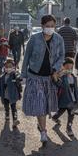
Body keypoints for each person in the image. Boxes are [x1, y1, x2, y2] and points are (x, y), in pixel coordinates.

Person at [21, 14, 65, 143]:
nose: (50, 28)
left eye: (52, 26)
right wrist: (23, 76)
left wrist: (56, 69)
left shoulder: (59, 39)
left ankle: (41, 125)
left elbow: (62, 55)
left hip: (49, 78)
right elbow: (27, 57)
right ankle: (44, 131)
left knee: (46, 105)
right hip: (35, 77)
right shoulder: (34, 39)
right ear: (42, 26)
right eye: (47, 26)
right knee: (40, 104)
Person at [51, 57, 78, 137]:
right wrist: (57, 76)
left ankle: (69, 128)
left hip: (72, 100)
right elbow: (57, 84)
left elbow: (76, 90)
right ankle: (55, 117)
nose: (69, 70)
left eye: (71, 68)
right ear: (63, 67)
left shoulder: (74, 77)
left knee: (71, 114)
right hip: (64, 99)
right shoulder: (61, 76)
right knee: (61, 110)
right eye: (67, 67)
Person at [0, 58, 22, 128]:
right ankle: (7, 114)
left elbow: (19, 79)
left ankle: (15, 120)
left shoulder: (14, 75)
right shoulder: (2, 77)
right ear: (4, 67)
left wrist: (18, 78)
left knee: (14, 108)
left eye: (10, 66)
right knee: (6, 107)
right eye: (7, 67)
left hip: (13, 95)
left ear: (13, 67)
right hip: (5, 96)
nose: (8, 68)